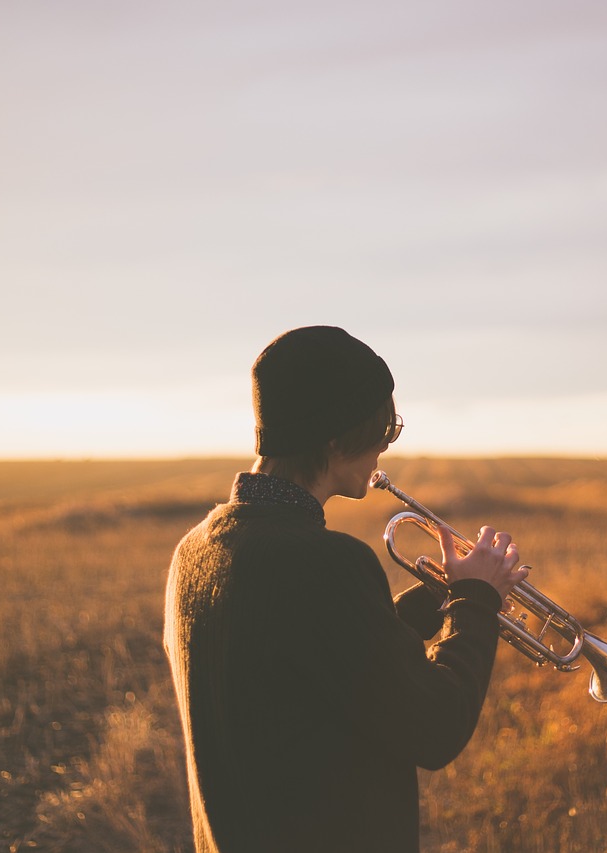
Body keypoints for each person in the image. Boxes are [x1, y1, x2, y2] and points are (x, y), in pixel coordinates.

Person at [164, 325, 528, 853]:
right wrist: (474, 605)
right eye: (384, 428)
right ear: (336, 438)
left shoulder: (195, 551)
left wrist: (442, 595)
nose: (386, 444)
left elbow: (305, 661)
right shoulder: (326, 563)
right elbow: (437, 726)